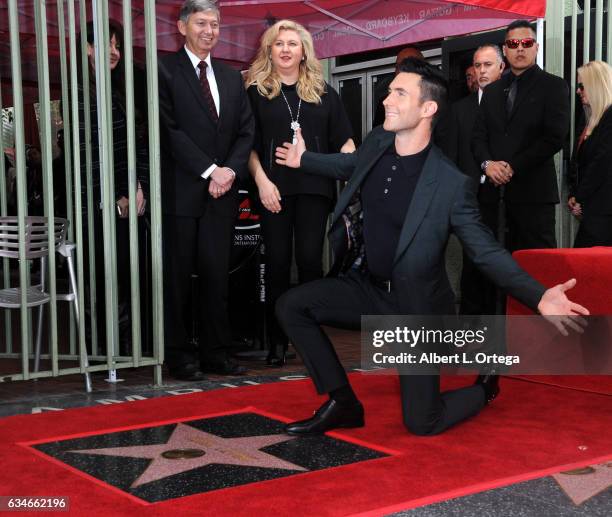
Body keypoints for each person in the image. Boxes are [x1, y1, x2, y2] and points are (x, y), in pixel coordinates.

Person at [273, 58, 588, 437]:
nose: (387, 99)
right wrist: (303, 159)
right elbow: (349, 165)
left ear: (428, 109)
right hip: (369, 289)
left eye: (399, 93)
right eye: (389, 91)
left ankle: (484, 388)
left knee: (422, 421)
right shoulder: (377, 141)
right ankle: (343, 403)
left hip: (418, 309)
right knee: (292, 305)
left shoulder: (450, 184)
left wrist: (537, 296)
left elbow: (484, 251)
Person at [245, 20, 354, 366]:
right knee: (276, 265)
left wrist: (344, 164)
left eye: (293, 43)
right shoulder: (257, 92)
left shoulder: (324, 93)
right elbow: (246, 146)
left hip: (314, 189)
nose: (287, 49)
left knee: (309, 263)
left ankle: (311, 343)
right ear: (270, 51)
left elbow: (347, 143)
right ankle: (277, 343)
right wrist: (262, 182)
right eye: (279, 44)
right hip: (273, 190)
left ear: (304, 50)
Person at [158, 0, 254, 380]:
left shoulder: (232, 78)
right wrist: (210, 170)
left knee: (217, 275)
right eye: (201, 23)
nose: (209, 31)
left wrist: (229, 170)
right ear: (182, 27)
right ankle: (179, 356)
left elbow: (247, 130)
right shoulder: (164, 70)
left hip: (223, 192)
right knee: (178, 278)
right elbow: (168, 131)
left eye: (215, 24)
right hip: (183, 191)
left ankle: (217, 352)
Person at [78, 19, 149, 354]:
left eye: (118, 45)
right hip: (95, 204)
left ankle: (118, 347)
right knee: (101, 273)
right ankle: (102, 349)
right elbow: (87, 155)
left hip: (120, 200)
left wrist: (134, 187)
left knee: (120, 271)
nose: (114, 52)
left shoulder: (115, 90)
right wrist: (113, 196)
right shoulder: (80, 92)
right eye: (107, 44)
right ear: (88, 48)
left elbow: (127, 148)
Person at [473, 20, 570, 256]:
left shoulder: (554, 86)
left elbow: (555, 138)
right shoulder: (492, 91)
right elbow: (478, 137)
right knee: (495, 268)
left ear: (536, 47)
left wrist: (511, 167)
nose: (519, 48)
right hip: (494, 198)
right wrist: (488, 165)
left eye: (526, 43)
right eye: (513, 43)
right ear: (505, 50)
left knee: (538, 266)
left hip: (534, 196)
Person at [444, 44, 505, 315]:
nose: (481, 71)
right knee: (471, 265)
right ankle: (471, 331)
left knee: (502, 263)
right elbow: (451, 157)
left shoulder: (511, 102)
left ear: (501, 68)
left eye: (487, 65)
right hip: (470, 200)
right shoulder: (458, 110)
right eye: (477, 66)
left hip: (506, 200)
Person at [568, 60, 612, 247]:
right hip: (593, 212)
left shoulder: (609, 117)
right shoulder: (589, 119)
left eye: (581, 86)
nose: (578, 91)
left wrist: (579, 196)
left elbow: (601, 163)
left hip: (604, 214)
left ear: (595, 85)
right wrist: (575, 195)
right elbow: (578, 163)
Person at [372, 46, 425, 127]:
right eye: (398, 66)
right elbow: (379, 136)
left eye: (407, 65)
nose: (400, 70)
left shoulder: (433, 96)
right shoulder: (386, 102)